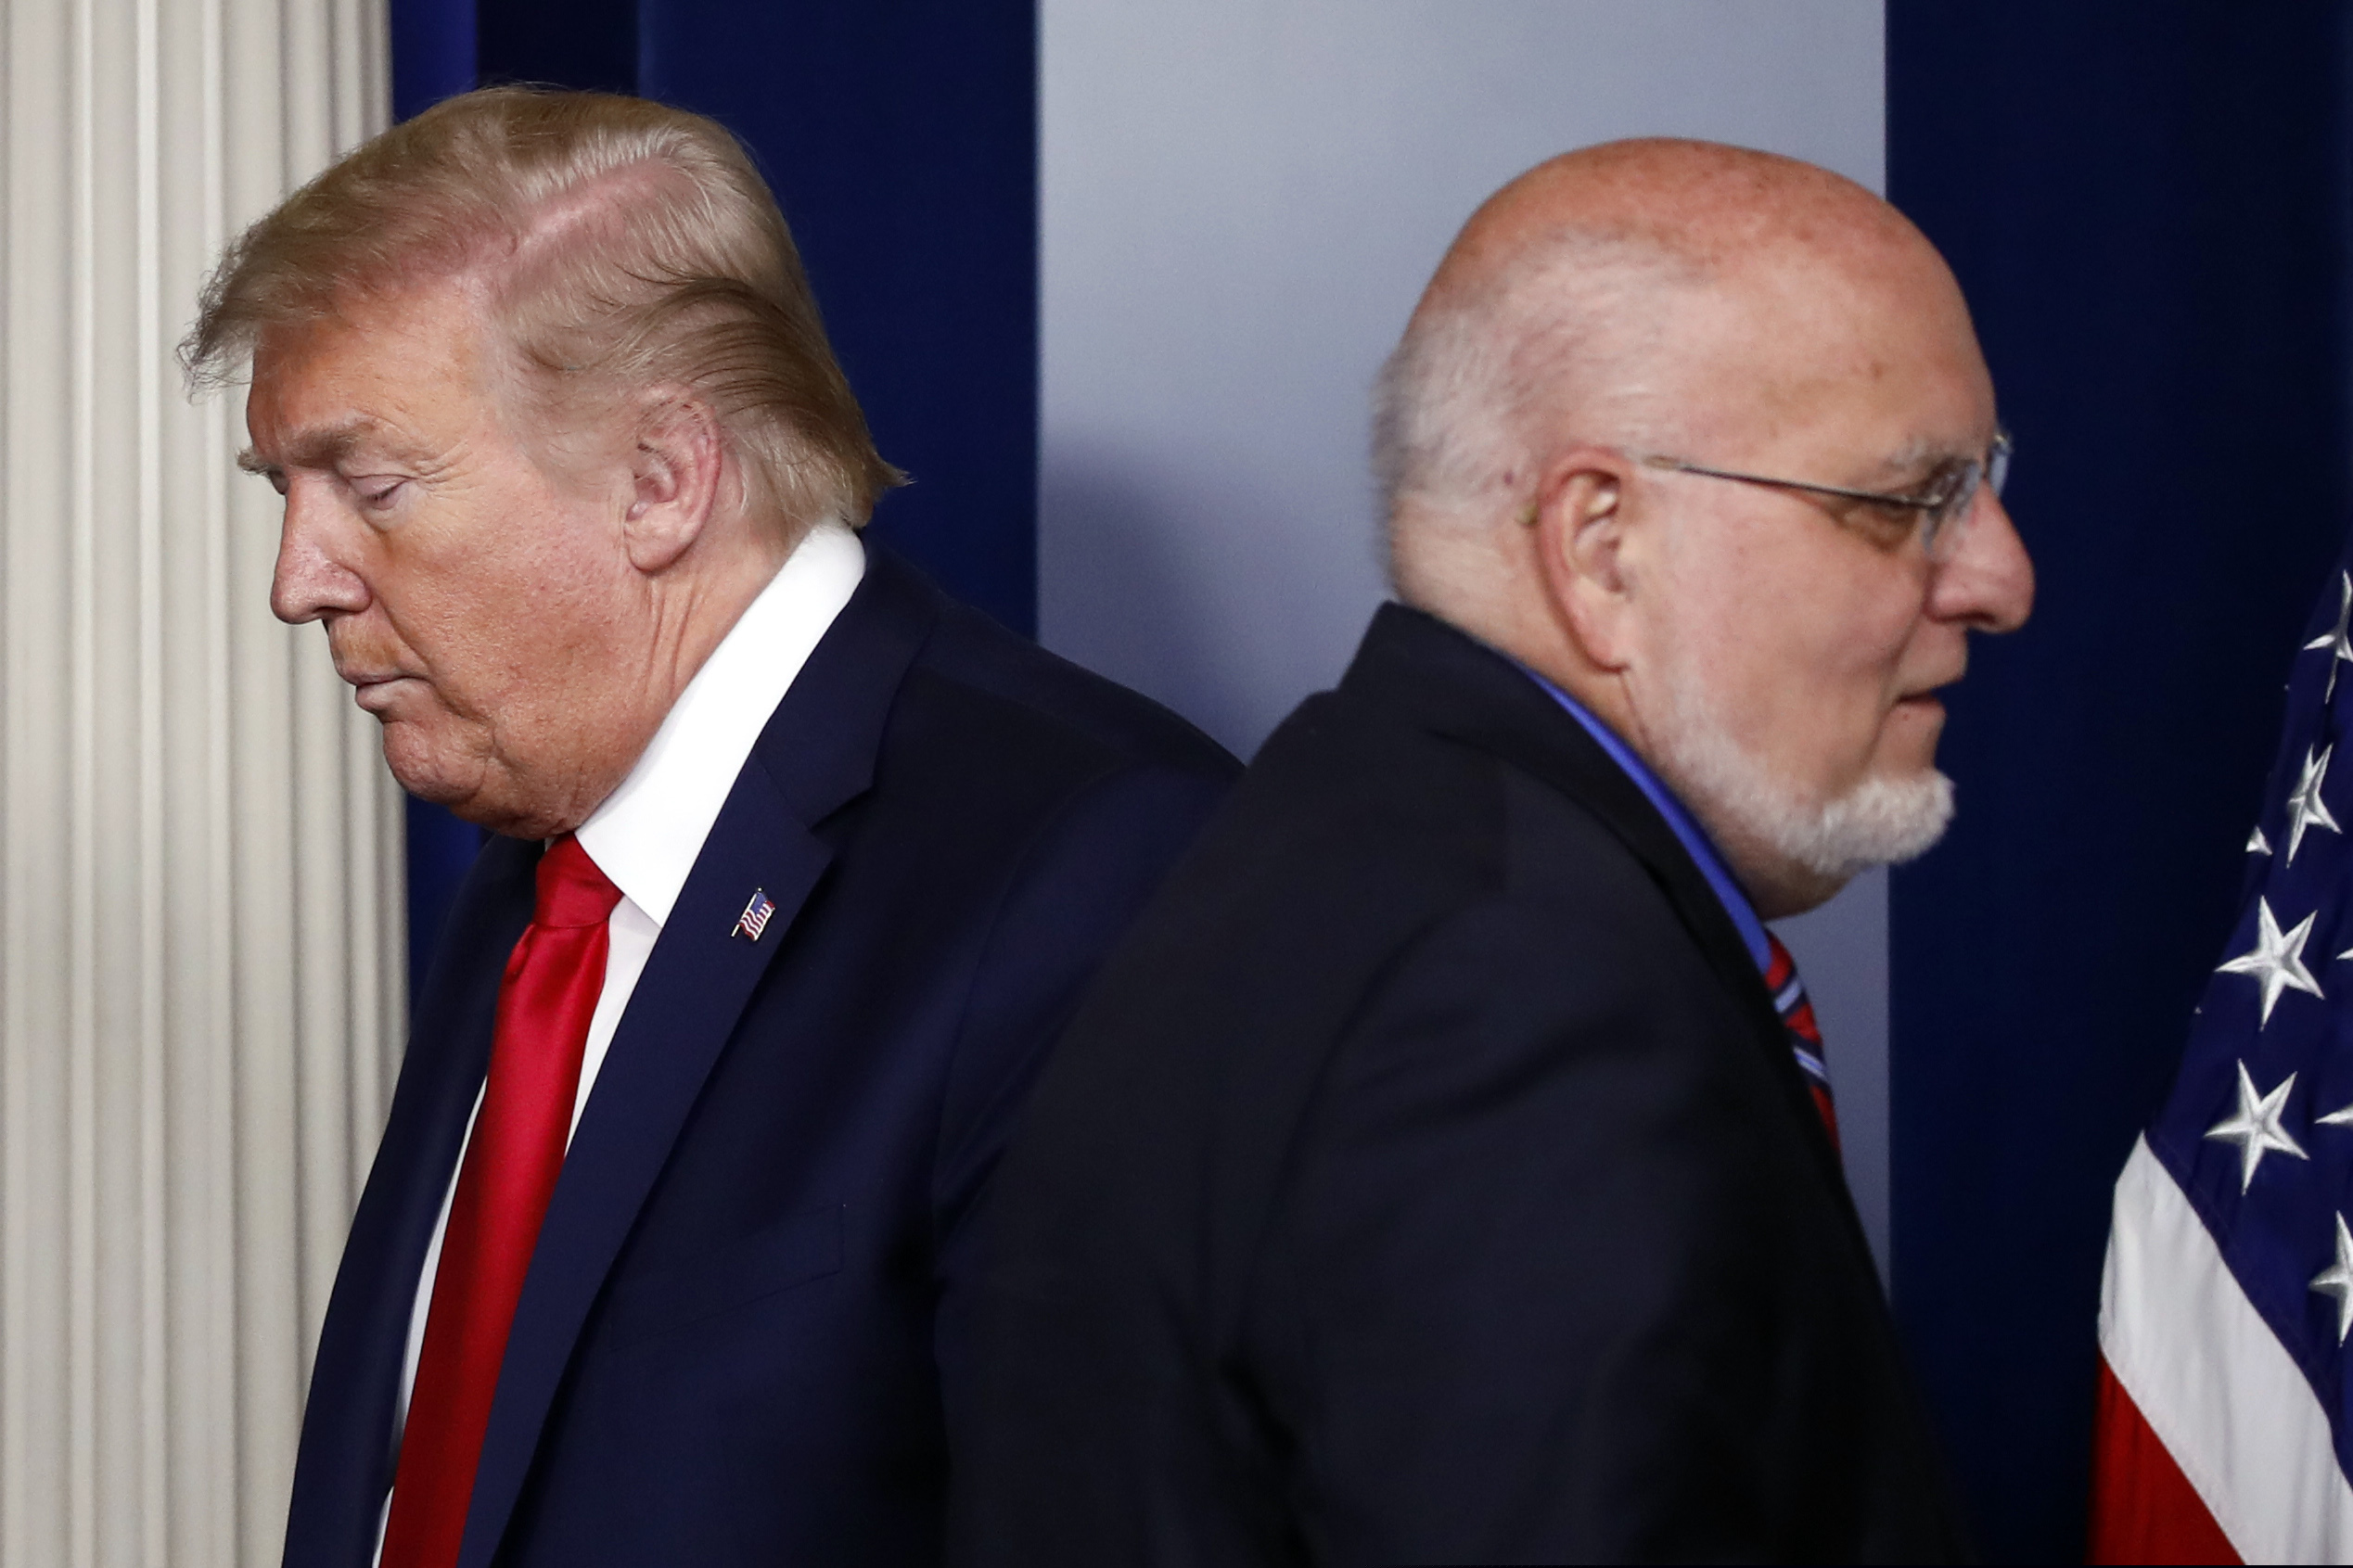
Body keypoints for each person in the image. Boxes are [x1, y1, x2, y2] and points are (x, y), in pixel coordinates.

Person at [186, 88, 1237, 1568]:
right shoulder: (549, 831)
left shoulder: (1097, 871)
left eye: (371, 486)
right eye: (284, 493)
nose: (302, 578)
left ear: (662, 479)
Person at [956, 138, 2035, 1564]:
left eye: (1988, 484)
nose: (2001, 576)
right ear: (1602, 546)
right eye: (1908, 500)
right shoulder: (1526, 1009)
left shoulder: (1355, 854)